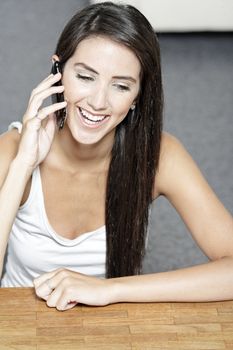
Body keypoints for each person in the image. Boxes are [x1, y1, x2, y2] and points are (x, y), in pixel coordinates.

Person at [0, 1, 232, 311]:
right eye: (85, 77)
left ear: (138, 96)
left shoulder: (160, 155)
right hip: (21, 323)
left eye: (121, 86)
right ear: (58, 72)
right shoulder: (12, 150)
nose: (98, 101)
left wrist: (109, 290)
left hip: (111, 325)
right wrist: (22, 167)